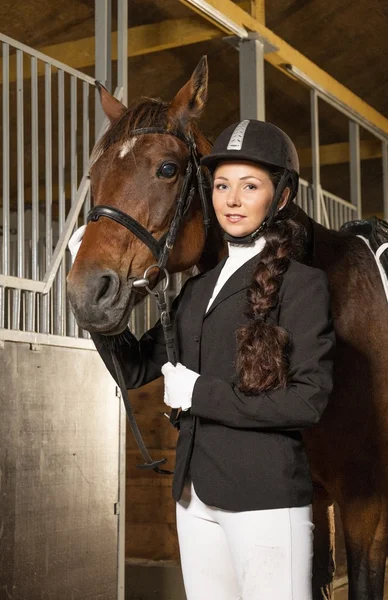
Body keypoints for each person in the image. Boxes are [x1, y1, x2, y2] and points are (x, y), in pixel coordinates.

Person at [69, 120, 335, 600]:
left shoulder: (303, 284)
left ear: (280, 198)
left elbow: (307, 402)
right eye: (221, 186)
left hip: (264, 502)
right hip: (194, 501)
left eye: (249, 186)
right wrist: (94, 312)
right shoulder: (194, 292)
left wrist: (199, 393)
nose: (232, 200)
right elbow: (132, 369)